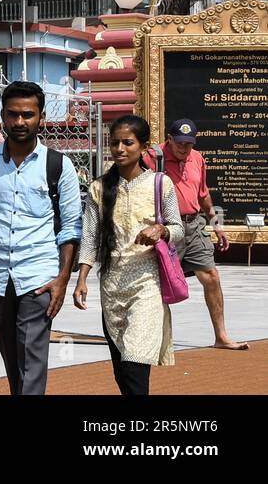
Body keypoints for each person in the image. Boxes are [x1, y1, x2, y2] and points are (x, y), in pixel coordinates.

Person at [0, 80, 81, 395]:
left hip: (39, 274)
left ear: (41, 118)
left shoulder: (58, 165)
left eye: (28, 114)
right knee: (13, 359)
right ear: (3, 116)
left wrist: (63, 278)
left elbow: (70, 225)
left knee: (32, 358)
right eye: (13, 114)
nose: (20, 121)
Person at [75, 115, 184, 395]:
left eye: (128, 143)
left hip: (148, 285)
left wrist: (160, 230)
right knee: (122, 371)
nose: (119, 149)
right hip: (111, 287)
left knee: (135, 362)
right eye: (114, 143)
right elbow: (90, 236)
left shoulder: (161, 184)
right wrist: (82, 279)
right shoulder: (99, 187)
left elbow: (177, 228)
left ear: (144, 147)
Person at [143, 120, 248, 351]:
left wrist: (216, 224)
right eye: (180, 143)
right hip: (166, 228)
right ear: (169, 139)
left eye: (189, 144)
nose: (184, 148)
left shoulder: (197, 158)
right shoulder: (153, 158)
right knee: (159, 284)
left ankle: (221, 337)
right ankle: (151, 338)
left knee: (211, 276)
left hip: (195, 225)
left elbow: (203, 194)